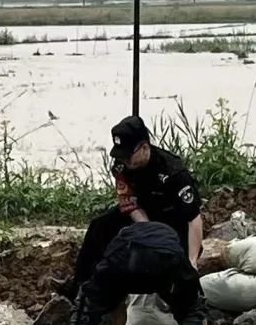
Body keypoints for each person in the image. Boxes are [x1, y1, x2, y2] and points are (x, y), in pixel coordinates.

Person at [52, 221, 208, 325]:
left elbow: (116, 301)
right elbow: (193, 306)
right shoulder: (175, 242)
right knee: (191, 311)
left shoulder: (119, 239)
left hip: (123, 262)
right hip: (164, 264)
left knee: (86, 310)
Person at [68, 115, 204, 294]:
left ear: (144, 148)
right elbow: (128, 201)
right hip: (141, 214)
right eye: (121, 155)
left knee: (174, 265)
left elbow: (193, 218)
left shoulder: (173, 172)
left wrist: (192, 261)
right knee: (99, 227)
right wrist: (147, 231)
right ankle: (80, 288)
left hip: (172, 222)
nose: (124, 160)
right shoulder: (121, 166)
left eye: (128, 156)